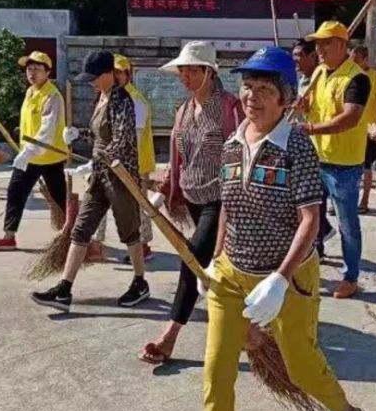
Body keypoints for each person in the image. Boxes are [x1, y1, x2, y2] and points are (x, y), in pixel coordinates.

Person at [199, 46, 367, 411]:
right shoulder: (233, 143)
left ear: (285, 98)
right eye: (248, 87)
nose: (253, 97)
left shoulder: (297, 146)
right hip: (232, 275)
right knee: (216, 373)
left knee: (301, 366)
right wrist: (217, 260)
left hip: (289, 278)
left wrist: (279, 279)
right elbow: (227, 210)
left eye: (265, 90)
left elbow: (310, 219)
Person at [141, 41, 243, 365]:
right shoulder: (183, 110)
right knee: (220, 268)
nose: (184, 76)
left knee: (191, 258)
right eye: (181, 71)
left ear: (209, 72)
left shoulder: (231, 107)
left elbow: (244, 150)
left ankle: (169, 336)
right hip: (192, 199)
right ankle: (250, 328)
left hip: (221, 199)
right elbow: (179, 157)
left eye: (191, 70)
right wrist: (166, 186)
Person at [30, 50, 149, 310]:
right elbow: (100, 136)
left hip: (120, 177)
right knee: (81, 229)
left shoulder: (122, 101)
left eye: (95, 77)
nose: (91, 82)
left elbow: (123, 142)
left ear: (109, 74)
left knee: (129, 231)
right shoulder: (102, 98)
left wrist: (94, 161)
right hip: (99, 176)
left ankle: (140, 282)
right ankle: (64, 289)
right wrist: (79, 135)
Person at [297, 21, 370, 299]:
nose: (320, 49)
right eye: (318, 43)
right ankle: (309, 263)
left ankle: (350, 276)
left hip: (344, 165)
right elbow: (314, 109)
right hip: (316, 157)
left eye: (326, 43)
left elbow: (350, 118)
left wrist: (311, 128)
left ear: (342, 44)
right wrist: (304, 109)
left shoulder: (357, 78)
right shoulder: (318, 72)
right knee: (309, 216)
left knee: (347, 224)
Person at [0, 51, 68, 251]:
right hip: (29, 156)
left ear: (48, 72)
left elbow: (46, 131)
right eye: (29, 69)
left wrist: (27, 152)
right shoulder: (30, 92)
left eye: (37, 69)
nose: (32, 73)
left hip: (50, 157)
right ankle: (9, 236)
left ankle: (76, 235)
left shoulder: (52, 96)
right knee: (15, 192)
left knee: (59, 198)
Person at [90, 53, 155, 264]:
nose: (116, 76)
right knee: (98, 202)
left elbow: (129, 136)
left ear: (128, 75)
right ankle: (96, 244)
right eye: (113, 72)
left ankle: (143, 245)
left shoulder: (135, 101)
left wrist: (105, 156)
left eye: (120, 72)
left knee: (137, 207)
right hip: (108, 162)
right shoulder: (108, 97)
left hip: (134, 163)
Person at [293, 37, 335, 251]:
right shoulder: (301, 80)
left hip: (320, 147)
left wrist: (308, 109)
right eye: (294, 55)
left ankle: (316, 245)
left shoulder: (323, 78)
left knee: (315, 200)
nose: (295, 59)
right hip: (301, 145)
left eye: (300, 55)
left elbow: (328, 112)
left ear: (313, 56)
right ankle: (322, 233)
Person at [349, 44, 376, 215]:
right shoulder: (349, 75)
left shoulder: (374, 77)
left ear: (365, 59)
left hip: (369, 132)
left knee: (366, 168)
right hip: (350, 130)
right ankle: (346, 202)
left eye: (357, 61)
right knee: (349, 168)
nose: (353, 64)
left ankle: (364, 200)